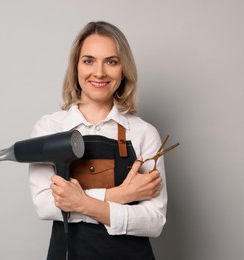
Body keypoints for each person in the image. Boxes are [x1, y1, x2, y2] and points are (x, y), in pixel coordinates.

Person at [28, 21, 167, 260]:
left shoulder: (143, 133)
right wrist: (119, 196)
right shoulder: (50, 128)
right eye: (89, 60)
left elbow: (154, 221)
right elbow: (45, 205)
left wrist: (80, 202)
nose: (99, 72)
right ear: (76, 67)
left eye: (111, 61)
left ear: (124, 69)